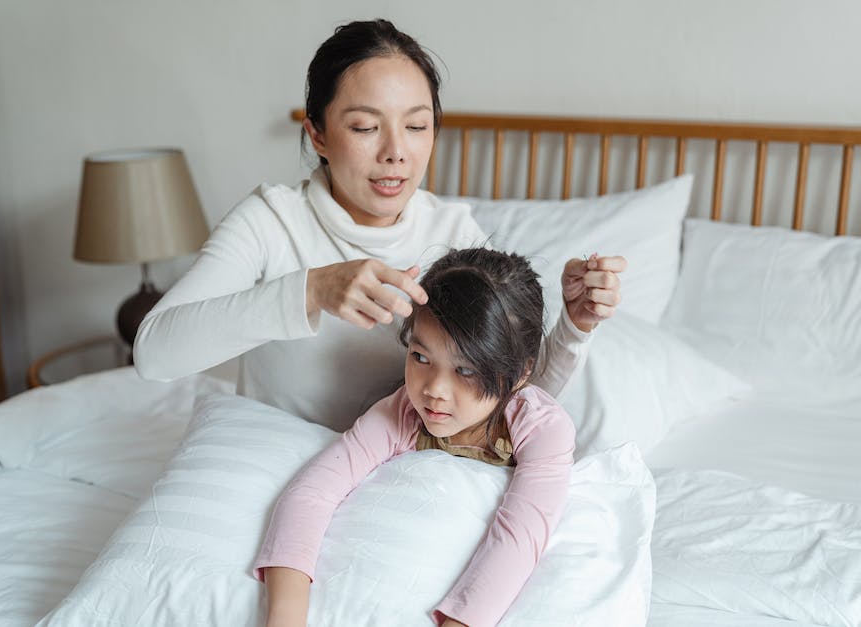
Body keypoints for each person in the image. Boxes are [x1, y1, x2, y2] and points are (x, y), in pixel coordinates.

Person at [133, 19, 625, 430]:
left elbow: (508, 401)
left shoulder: (452, 233)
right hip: (275, 461)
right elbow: (154, 354)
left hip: (398, 478)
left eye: (415, 126)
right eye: (366, 127)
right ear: (318, 135)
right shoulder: (271, 221)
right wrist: (311, 290)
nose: (395, 152)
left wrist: (575, 328)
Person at [255, 247, 576, 627]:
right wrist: (286, 616)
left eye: (466, 370)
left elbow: (517, 541)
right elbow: (313, 492)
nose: (434, 390)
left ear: (520, 373)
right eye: (421, 358)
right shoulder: (404, 410)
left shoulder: (538, 426)